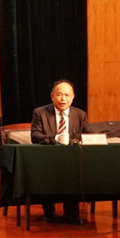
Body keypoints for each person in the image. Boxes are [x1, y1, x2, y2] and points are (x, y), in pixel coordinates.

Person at [30, 79, 88, 225]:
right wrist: (56, 138)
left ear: (73, 97)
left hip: (72, 160)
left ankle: (72, 214)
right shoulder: (40, 113)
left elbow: (88, 135)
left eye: (67, 95)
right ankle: (49, 212)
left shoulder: (80, 115)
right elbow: (35, 136)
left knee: (76, 173)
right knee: (47, 173)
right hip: (48, 160)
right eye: (59, 94)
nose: (63, 99)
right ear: (52, 96)